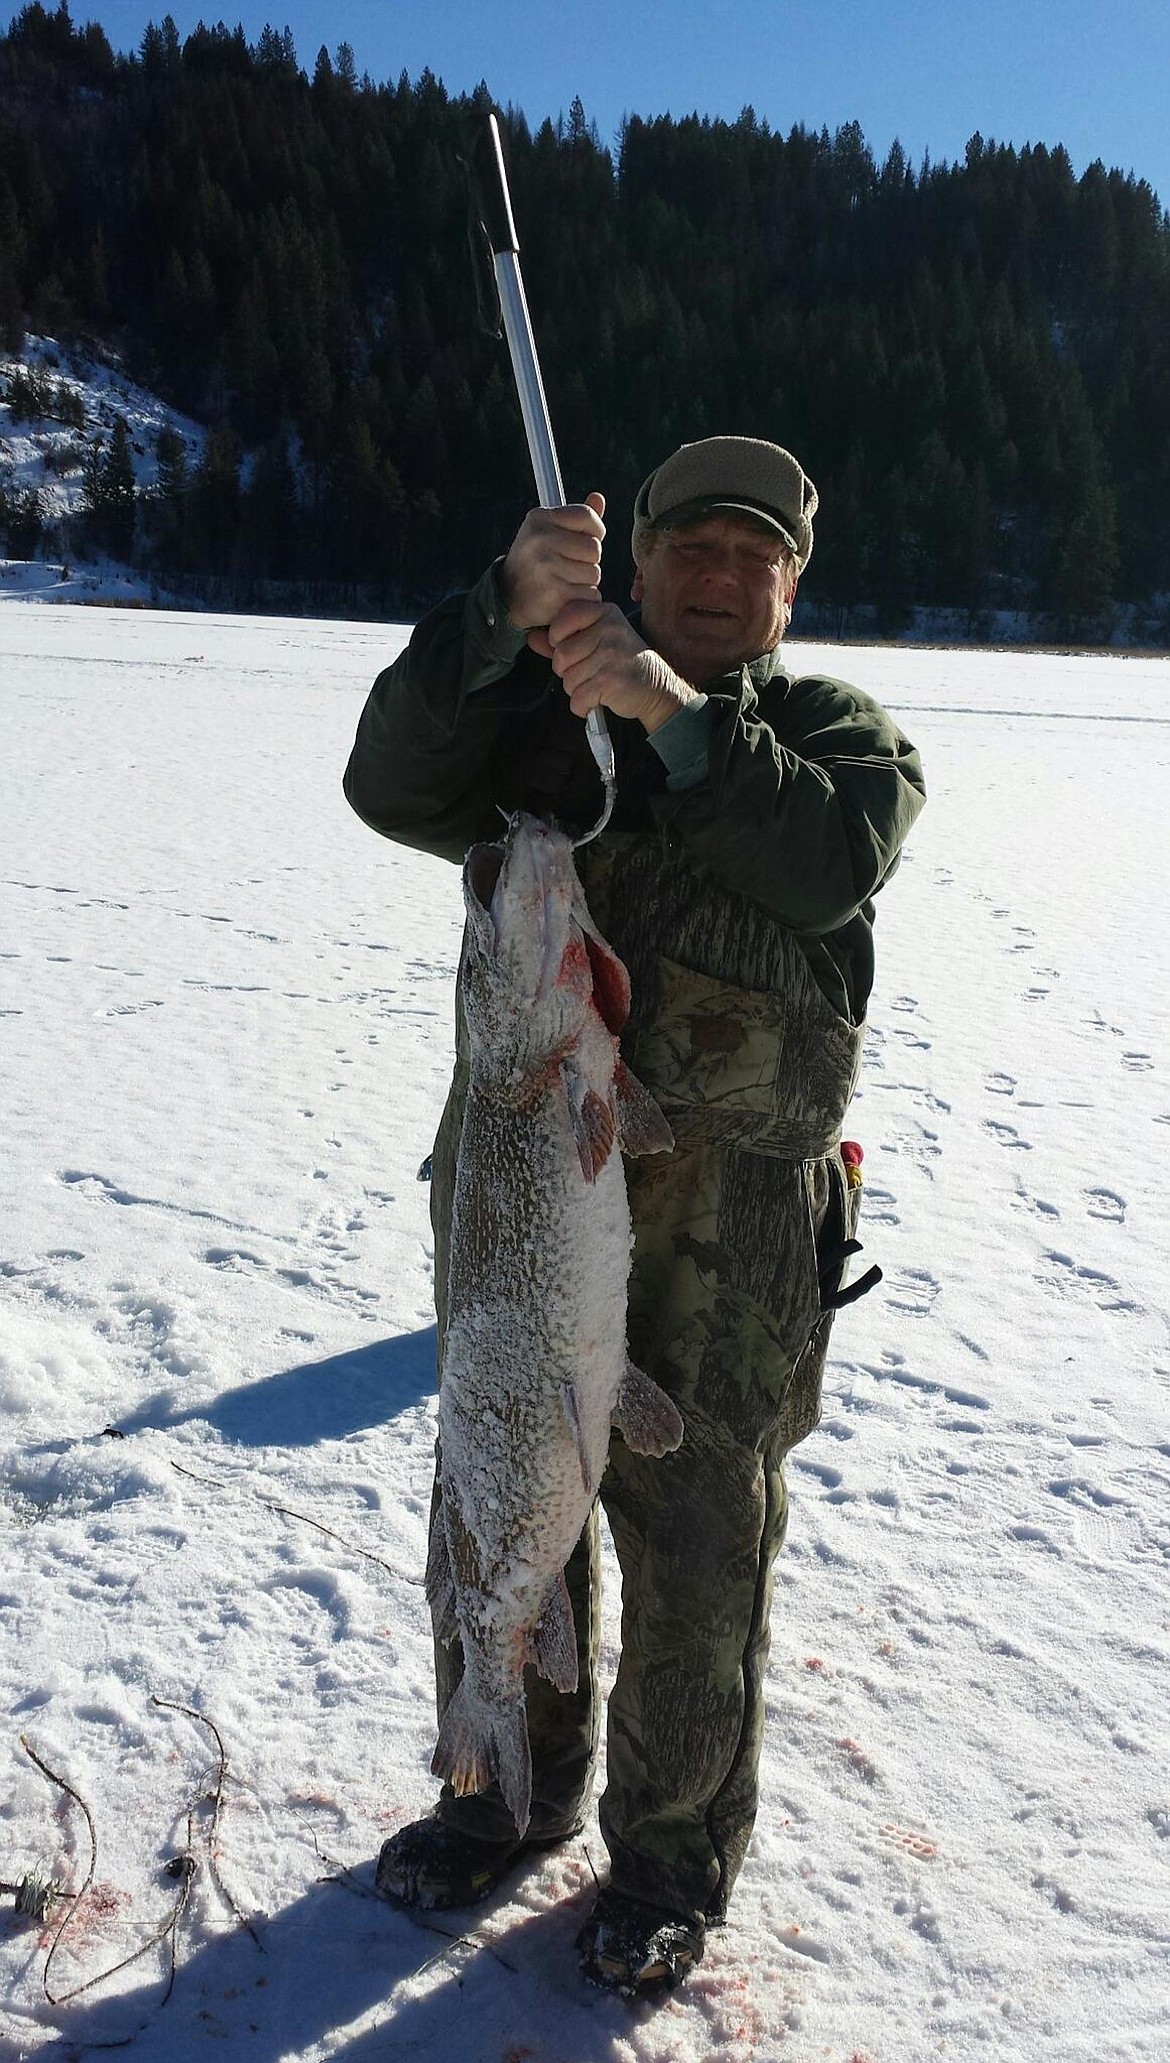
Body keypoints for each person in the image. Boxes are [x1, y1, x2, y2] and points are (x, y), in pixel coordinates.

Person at [343, 435, 926, 1996]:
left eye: (758, 559)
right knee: (492, 1500)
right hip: (526, 1193)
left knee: (693, 1556)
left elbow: (824, 861)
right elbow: (388, 782)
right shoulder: (545, 708)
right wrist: (498, 613)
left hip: (728, 1237)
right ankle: (495, 1790)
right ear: (638, 558)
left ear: (791, 590)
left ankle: (665, 1864)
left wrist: (664, 714)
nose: (723, 580)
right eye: (694, 550)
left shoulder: (829, 737)